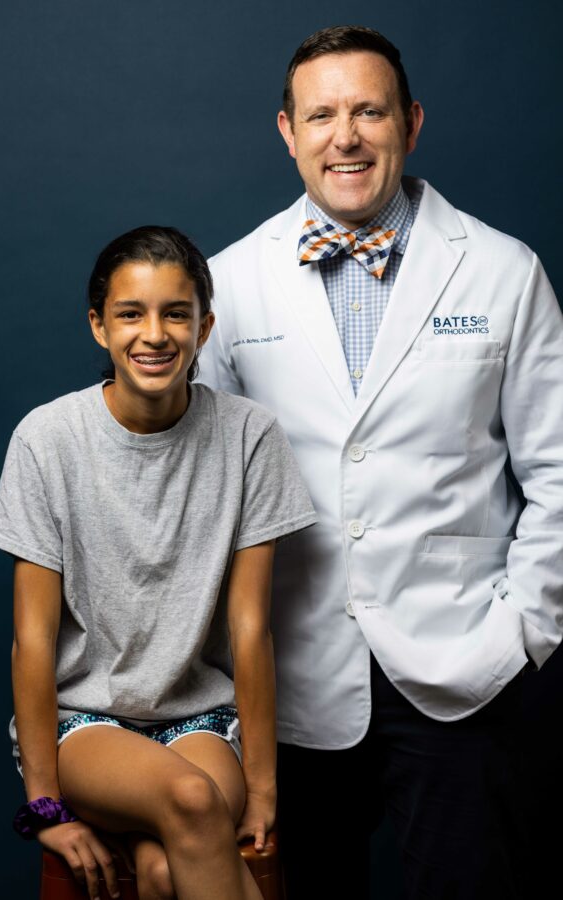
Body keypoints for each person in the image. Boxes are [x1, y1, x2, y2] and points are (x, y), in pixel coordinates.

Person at [197, 25, 563, 900]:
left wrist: (524, 632)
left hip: (462, 666)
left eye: (369, 111)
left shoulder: (504, 272)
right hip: (293, 677)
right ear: (288, 132)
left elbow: (556, 472)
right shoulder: (231, 282)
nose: (346, 137)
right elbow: (197, 488)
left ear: (412, 122)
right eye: (321, 115)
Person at [0, 225, 316, 900]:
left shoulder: (250, 436)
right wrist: (45, 806)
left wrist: (262, 788)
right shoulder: (46, 439)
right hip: (86, 723)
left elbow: (250, 628)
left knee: (165, 869)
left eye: (176, 314)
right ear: (99, 327)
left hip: (201, 722)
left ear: (205, 327)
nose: (155, 335)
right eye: (131, 314)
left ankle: (149, 843)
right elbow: (33, 640)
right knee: (191, 801)